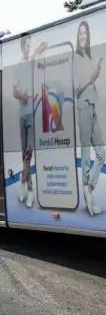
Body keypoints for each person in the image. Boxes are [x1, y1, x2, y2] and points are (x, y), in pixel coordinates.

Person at [74, 21, 105, 216]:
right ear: (78, 37)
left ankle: (89, 188)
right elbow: (76, 88)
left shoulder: (88, 56)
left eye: (85, 33)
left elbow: (90, 81)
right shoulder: (76, 59)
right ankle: (88, 193)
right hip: (83, 107)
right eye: (81, 34)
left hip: (92, 106)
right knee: (86, 153)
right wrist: (91, 76)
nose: (83, 36)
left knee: (101, 154)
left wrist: (96, 72)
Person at [13, 37, 47, 208]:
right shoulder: (18, 67)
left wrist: (38, 50)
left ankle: (22, 183)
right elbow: (14, 93)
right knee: (23, 154)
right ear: (21, 48)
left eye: (29, 46)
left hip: (32, 114)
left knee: (29, 151)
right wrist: (23, 95)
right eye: (26, 47)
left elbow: (40, 50)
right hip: (22, 114)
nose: (28, 49)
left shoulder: (31, 63)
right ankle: (30, 191)